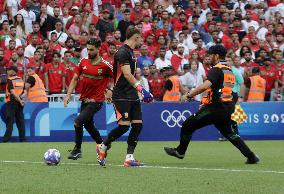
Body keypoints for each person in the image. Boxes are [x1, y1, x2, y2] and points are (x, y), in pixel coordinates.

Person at [164, 45, 260, 164]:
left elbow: (205, 86)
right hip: (226, 107)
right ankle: (251, 156)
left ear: (217, 56)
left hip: (216, 108)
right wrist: (205, 103)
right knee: (229, 133)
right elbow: (222, 90)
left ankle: (180, 151)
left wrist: (188, 95)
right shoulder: (228, 70)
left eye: (210, 55)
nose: (208, 57)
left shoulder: (216, 69)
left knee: (188, 125)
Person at [96, 27, 153, 167]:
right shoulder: (122, 52)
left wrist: (139, 92)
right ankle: (103, 146)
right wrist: (142, 89)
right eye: (140, 38)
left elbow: (130, 76)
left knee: (138, 125)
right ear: (135, 37)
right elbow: (126, 74)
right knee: (124, 126)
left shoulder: (131, 52)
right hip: (121, 95)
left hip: (132, 94)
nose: (141, 41)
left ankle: (129, 157)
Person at [64, 38, 113, 160]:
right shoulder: (83, 62)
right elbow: (75, 79)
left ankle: (77, 150)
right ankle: (103, 144)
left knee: (77, 122)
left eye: (91, 50)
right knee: (89, 126)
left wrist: (111, 90)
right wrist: (68, 95)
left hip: (96, 101)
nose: (89, 52)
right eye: (87, 49)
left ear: (98, 49)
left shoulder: (106, 65)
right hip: (84, 100)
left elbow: (117, 78)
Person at [3, 66, 26, 143]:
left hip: (11, 102)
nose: (7, 71)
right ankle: (22, 139)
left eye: (8, 70)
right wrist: (20, 99)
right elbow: (25, 92)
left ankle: (6, 140)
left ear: (13, 71)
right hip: (19, 102)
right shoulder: (21, 79)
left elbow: (12, 92)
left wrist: (19, 100)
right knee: (20, 121)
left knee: (10, 121)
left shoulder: (10, 80)